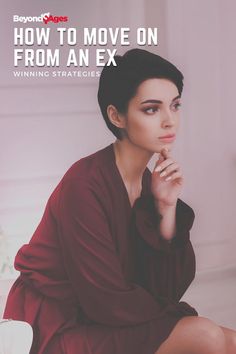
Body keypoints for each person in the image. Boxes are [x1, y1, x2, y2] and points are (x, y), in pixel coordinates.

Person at [3, 48, 236, 354]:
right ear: (117, 115)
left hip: (106, 320)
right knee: (206, 336)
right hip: (57, 330)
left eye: (175, 105)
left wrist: (165, 208)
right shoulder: (83, 185)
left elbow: (167, 288)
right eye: (152, 109)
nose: (170, 121)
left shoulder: (148, 183)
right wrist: (174, 314)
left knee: (230, 340)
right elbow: (105, 301)